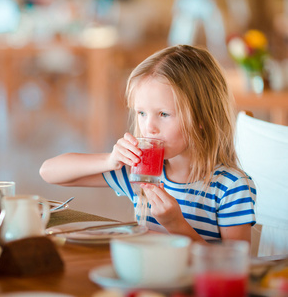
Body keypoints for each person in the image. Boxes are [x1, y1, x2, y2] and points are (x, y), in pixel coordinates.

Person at [40, 45, 256, 244]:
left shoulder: (231, 187)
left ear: (201, 118)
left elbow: (235, 266)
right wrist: (109, 160)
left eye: (163, 114)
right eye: (141, 113)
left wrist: (176, 224)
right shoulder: (141, 174)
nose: (148, 127)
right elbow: (49, 172)